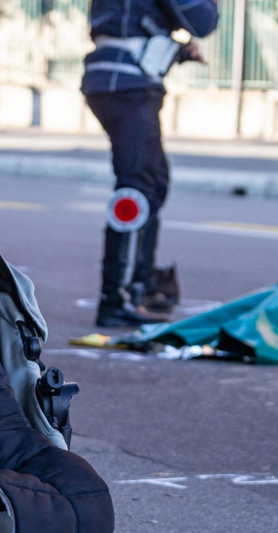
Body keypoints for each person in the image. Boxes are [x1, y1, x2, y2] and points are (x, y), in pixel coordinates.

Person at [81, 0, 219, 327]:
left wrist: (176, 50)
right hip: (127, 82)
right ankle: (118, 297)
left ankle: (139, 285)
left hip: (119, 77)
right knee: (138, 188)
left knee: (153, 182)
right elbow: (202, 19)